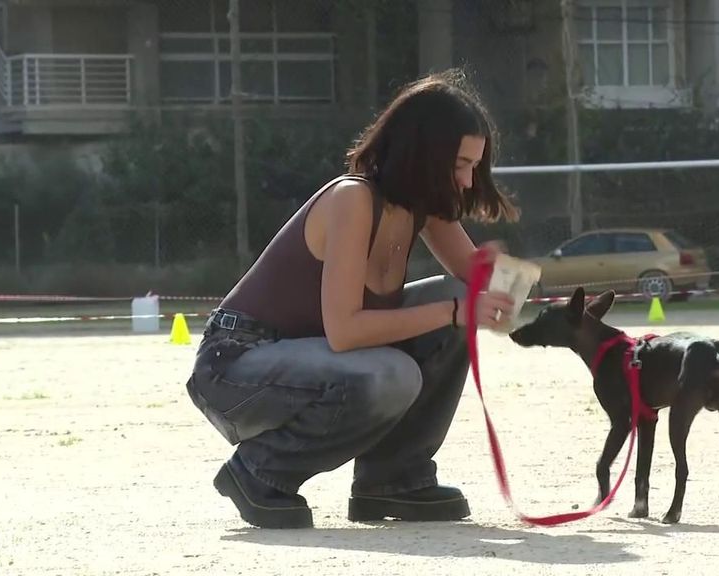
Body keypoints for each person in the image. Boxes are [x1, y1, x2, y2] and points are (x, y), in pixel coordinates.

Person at [185, 69, 519, 529]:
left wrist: (511, 284)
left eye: (474, 168)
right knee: (397, 369)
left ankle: (394, 479)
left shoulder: (426, 205)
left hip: (310, 358)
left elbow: (477, 281)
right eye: (459, 164)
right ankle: (260, 472)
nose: (467, 181)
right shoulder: (354, 199)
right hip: (237, 364)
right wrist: (456, 311)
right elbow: (345, 331)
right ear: (422, 154)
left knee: (459, 296)